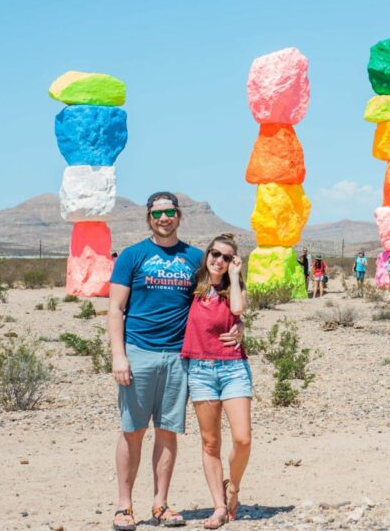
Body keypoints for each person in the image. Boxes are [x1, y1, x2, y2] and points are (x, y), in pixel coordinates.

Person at [107, 192, 243, 531]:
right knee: (133, 430)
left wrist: (239, 325)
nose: (164, 218)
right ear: (149, 218)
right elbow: (115, 309)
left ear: (179, 216)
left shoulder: (195, 258)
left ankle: (160, 504)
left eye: (170, 212)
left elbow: (222, 298)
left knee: (168, 432)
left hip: (180, 356)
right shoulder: (132, 256)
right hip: (138, 352)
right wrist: (118, 355)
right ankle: (124, 506)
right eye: (158, 213)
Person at [181, 234, 251, 529]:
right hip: (200, 369)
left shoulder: (235, 289)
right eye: (215, 254)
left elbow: (237, 310)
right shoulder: (191, 288)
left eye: (226, 257)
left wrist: (234, 277)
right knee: (210, 442)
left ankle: (232, 485)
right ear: (206, 254)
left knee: (242, 438)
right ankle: (219, 507)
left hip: (233, 368)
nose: (219, 260)